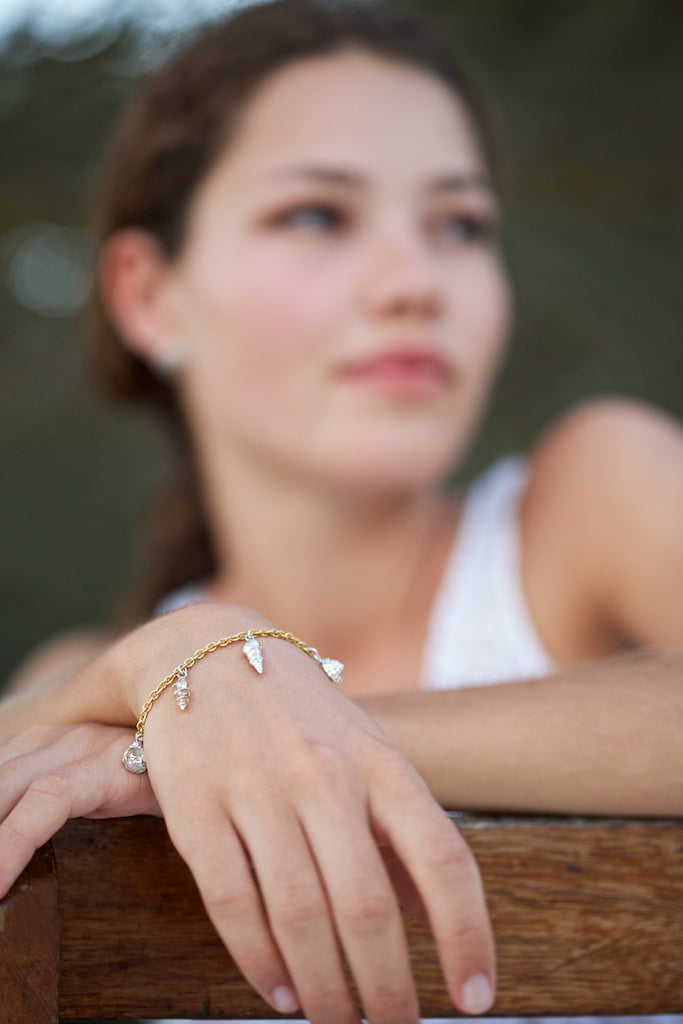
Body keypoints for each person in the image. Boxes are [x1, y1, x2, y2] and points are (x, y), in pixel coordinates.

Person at [1, 1, 682, 1022]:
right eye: (315, 213)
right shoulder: (94, 681)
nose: (416, 282)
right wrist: (183, 657)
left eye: (459, 225)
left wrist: (270, 712)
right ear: (151, 296)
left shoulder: (590, 493)